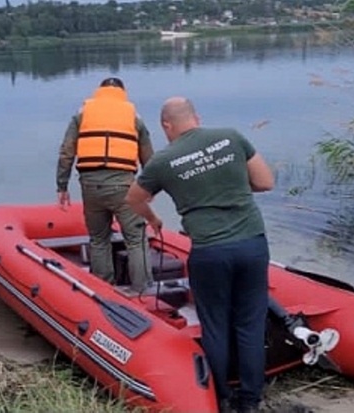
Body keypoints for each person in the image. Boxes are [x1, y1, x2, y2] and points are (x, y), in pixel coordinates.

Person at [125, 97, 274, 413]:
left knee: (215, 324)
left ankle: (220, 397)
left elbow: (133, 199)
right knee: (249, 322)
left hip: (209, 250)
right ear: (196, 117)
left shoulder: (163, 161)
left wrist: (153, 220)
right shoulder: (231, 137)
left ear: (167, 125)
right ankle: (250, 401)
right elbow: (265, 181)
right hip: (251, 243)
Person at [56, 77, 155, 291]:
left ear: (99, 91)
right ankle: (143, 291)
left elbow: (66, 152)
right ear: (123, 92)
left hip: (90, 186)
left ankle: (103, 290)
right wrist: (150, 187)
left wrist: (62, 186)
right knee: (136, 239)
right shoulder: (133, 116)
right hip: (124, 186)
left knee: (99, 239)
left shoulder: (82, 114)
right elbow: (148, 155)